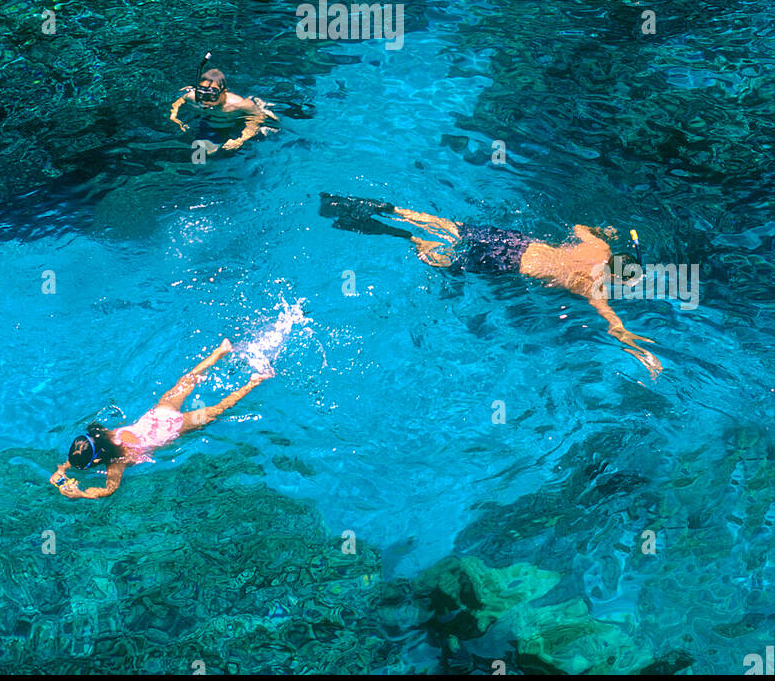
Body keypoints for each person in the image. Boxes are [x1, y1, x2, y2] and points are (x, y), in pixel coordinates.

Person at [319, 195, 661, 376]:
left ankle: (390, 210)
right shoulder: (590, 288)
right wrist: (643, 353)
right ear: (615, 276)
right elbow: (615, 327)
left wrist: (609, 233)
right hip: (508, 265)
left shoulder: (598, 248)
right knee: (443, 259)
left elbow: (579, 225)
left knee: (448, 226)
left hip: (518, 242)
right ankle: (409, 239)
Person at [49, 339, 271, 500]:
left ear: (97, 461)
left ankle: (253, 382)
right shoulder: (103, 435)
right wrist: (60, 471)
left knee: (216, 411)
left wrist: (81, 495)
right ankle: (219, 352)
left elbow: (109, 490)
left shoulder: (117, 463)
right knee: (185, 383)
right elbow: (74, 459)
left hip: (171, 428)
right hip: (158, 415)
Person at [170, 55, 278, 152]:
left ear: (224, 92)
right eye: (202, 94)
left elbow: (257, 118)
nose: (205, 100)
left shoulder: (239, 104)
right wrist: (174, 116)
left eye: (212, 96)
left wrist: (241, 140)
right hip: (212, 121)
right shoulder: (193, 97)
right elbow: (180, 100)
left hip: (237, 121)